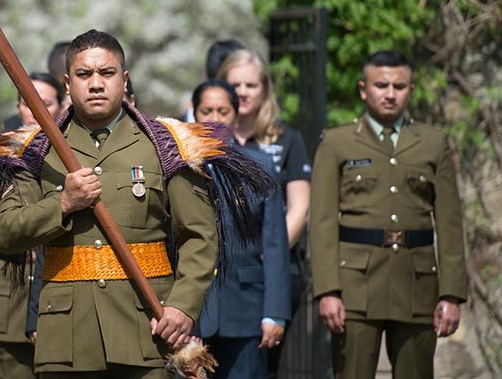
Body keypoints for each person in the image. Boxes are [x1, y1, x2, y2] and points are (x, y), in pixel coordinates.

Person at [0, 29, 273, 378]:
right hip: (65, 339)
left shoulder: (167, 145)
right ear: (67, 83)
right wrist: (63, 203)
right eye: (84, 74)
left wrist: (182, 308)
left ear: (124, 80)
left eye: (107, 73)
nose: (96, 83)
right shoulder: (34, 150)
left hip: (144, 331)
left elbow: (199, 238)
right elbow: (6, 233)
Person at [309, 50, 468, 378]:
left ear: (411, 89)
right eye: (381, 85)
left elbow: (450, 223)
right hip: (355, 285)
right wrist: (328, 290)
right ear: (363, 89)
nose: (390, 93)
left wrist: (451, 294)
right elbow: (322, 222)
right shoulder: (337, 143)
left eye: (399, 86)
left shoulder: (433, 143)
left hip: (417, 285)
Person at [0, 70, 65, 379]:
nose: (34, 111)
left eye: (44, 102)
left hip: (57, 298)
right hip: (5, 302)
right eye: (27, 103)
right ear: (18, 107)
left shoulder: (72, 155)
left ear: (61, 105)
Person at [216, 49, 311, 376]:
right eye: (235, 84)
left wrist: (269, 251)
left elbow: (299, 206)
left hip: (274, 267)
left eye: (251, 85)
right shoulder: (209, 141)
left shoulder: (286, 140)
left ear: (265, 89)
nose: (243, 91)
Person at [192, 79, 291, 379]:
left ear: (235, 115)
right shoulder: (179, 168)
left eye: (223, 110)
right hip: (194, 311)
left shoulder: (259, 166)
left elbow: (275, 245)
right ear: (193, 114)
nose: (214, 119)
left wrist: (274, 312)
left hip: (247, 309)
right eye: (206, 110)